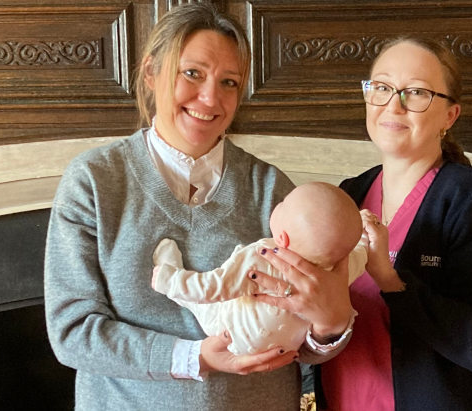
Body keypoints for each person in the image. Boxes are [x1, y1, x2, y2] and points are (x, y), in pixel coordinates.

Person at [43, 3, 355, 410]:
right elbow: (72, 332)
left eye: (229, 82)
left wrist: (330, 327)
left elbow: (301, 345)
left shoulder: (273, 188)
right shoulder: (94, 181)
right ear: (152, 73)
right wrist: (194, 358)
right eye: (192, 74)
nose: (210, 98)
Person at [249, 36, 472, 410]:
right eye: (381, 87)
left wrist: (391, 281)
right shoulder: (347, 195)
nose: (393, 105)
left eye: (415, 93)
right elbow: (320, 320)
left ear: (450, 115)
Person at [151, 182, 368, 356]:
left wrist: (170, 281)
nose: (279, 202)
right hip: (285, 348)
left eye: (283, 203)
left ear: (282, 238)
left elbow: (213, 287)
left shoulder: (263, 258)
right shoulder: (340, 268)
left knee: (201, 304)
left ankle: (169, 274)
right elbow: (361, 254)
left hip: (231, 336)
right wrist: (364, 237)